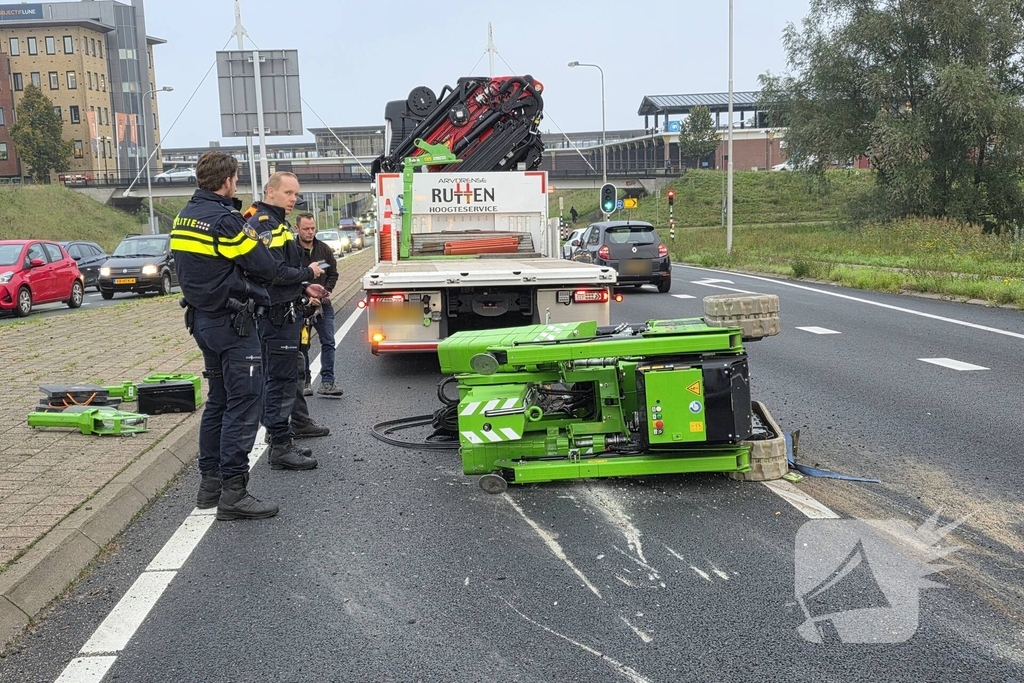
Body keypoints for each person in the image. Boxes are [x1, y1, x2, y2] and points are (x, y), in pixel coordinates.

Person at [169, 152, 323, 521]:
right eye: (235, 178)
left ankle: (210, 487)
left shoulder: (184, 216)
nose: (236, 184)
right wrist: (303, 277)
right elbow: (264, 266)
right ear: (227, 181)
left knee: (218, 404)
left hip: (203, 321)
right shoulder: (225, 220)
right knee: (242, 407)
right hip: (234, 325)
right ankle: (234, 493)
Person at [247, 172, 326, 471]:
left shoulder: (276, 223)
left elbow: (282, 270)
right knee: (280, 380)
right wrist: (308, 275)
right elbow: (274, 273)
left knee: (286, 376)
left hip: (283, 312)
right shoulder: (264, 225)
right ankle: (279, 446)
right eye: (288, 193)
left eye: (296, 194)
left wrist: (304, 286)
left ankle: (282, 437)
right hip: (275, 316)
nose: (294, 198)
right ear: (270, 191)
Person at [295, 214, 344, 397]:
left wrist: (325, 291)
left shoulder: (323, 249)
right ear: (297, 228)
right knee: (302, 345)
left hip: (323, 306)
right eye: (306, 228)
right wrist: (305, 295)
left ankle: (327, 382)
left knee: (329, 342)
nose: (310, 232)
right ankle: (305, 382)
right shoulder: (291, 250)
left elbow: (333, 273)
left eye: (312, 228)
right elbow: (289, 276)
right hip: (300, 306)